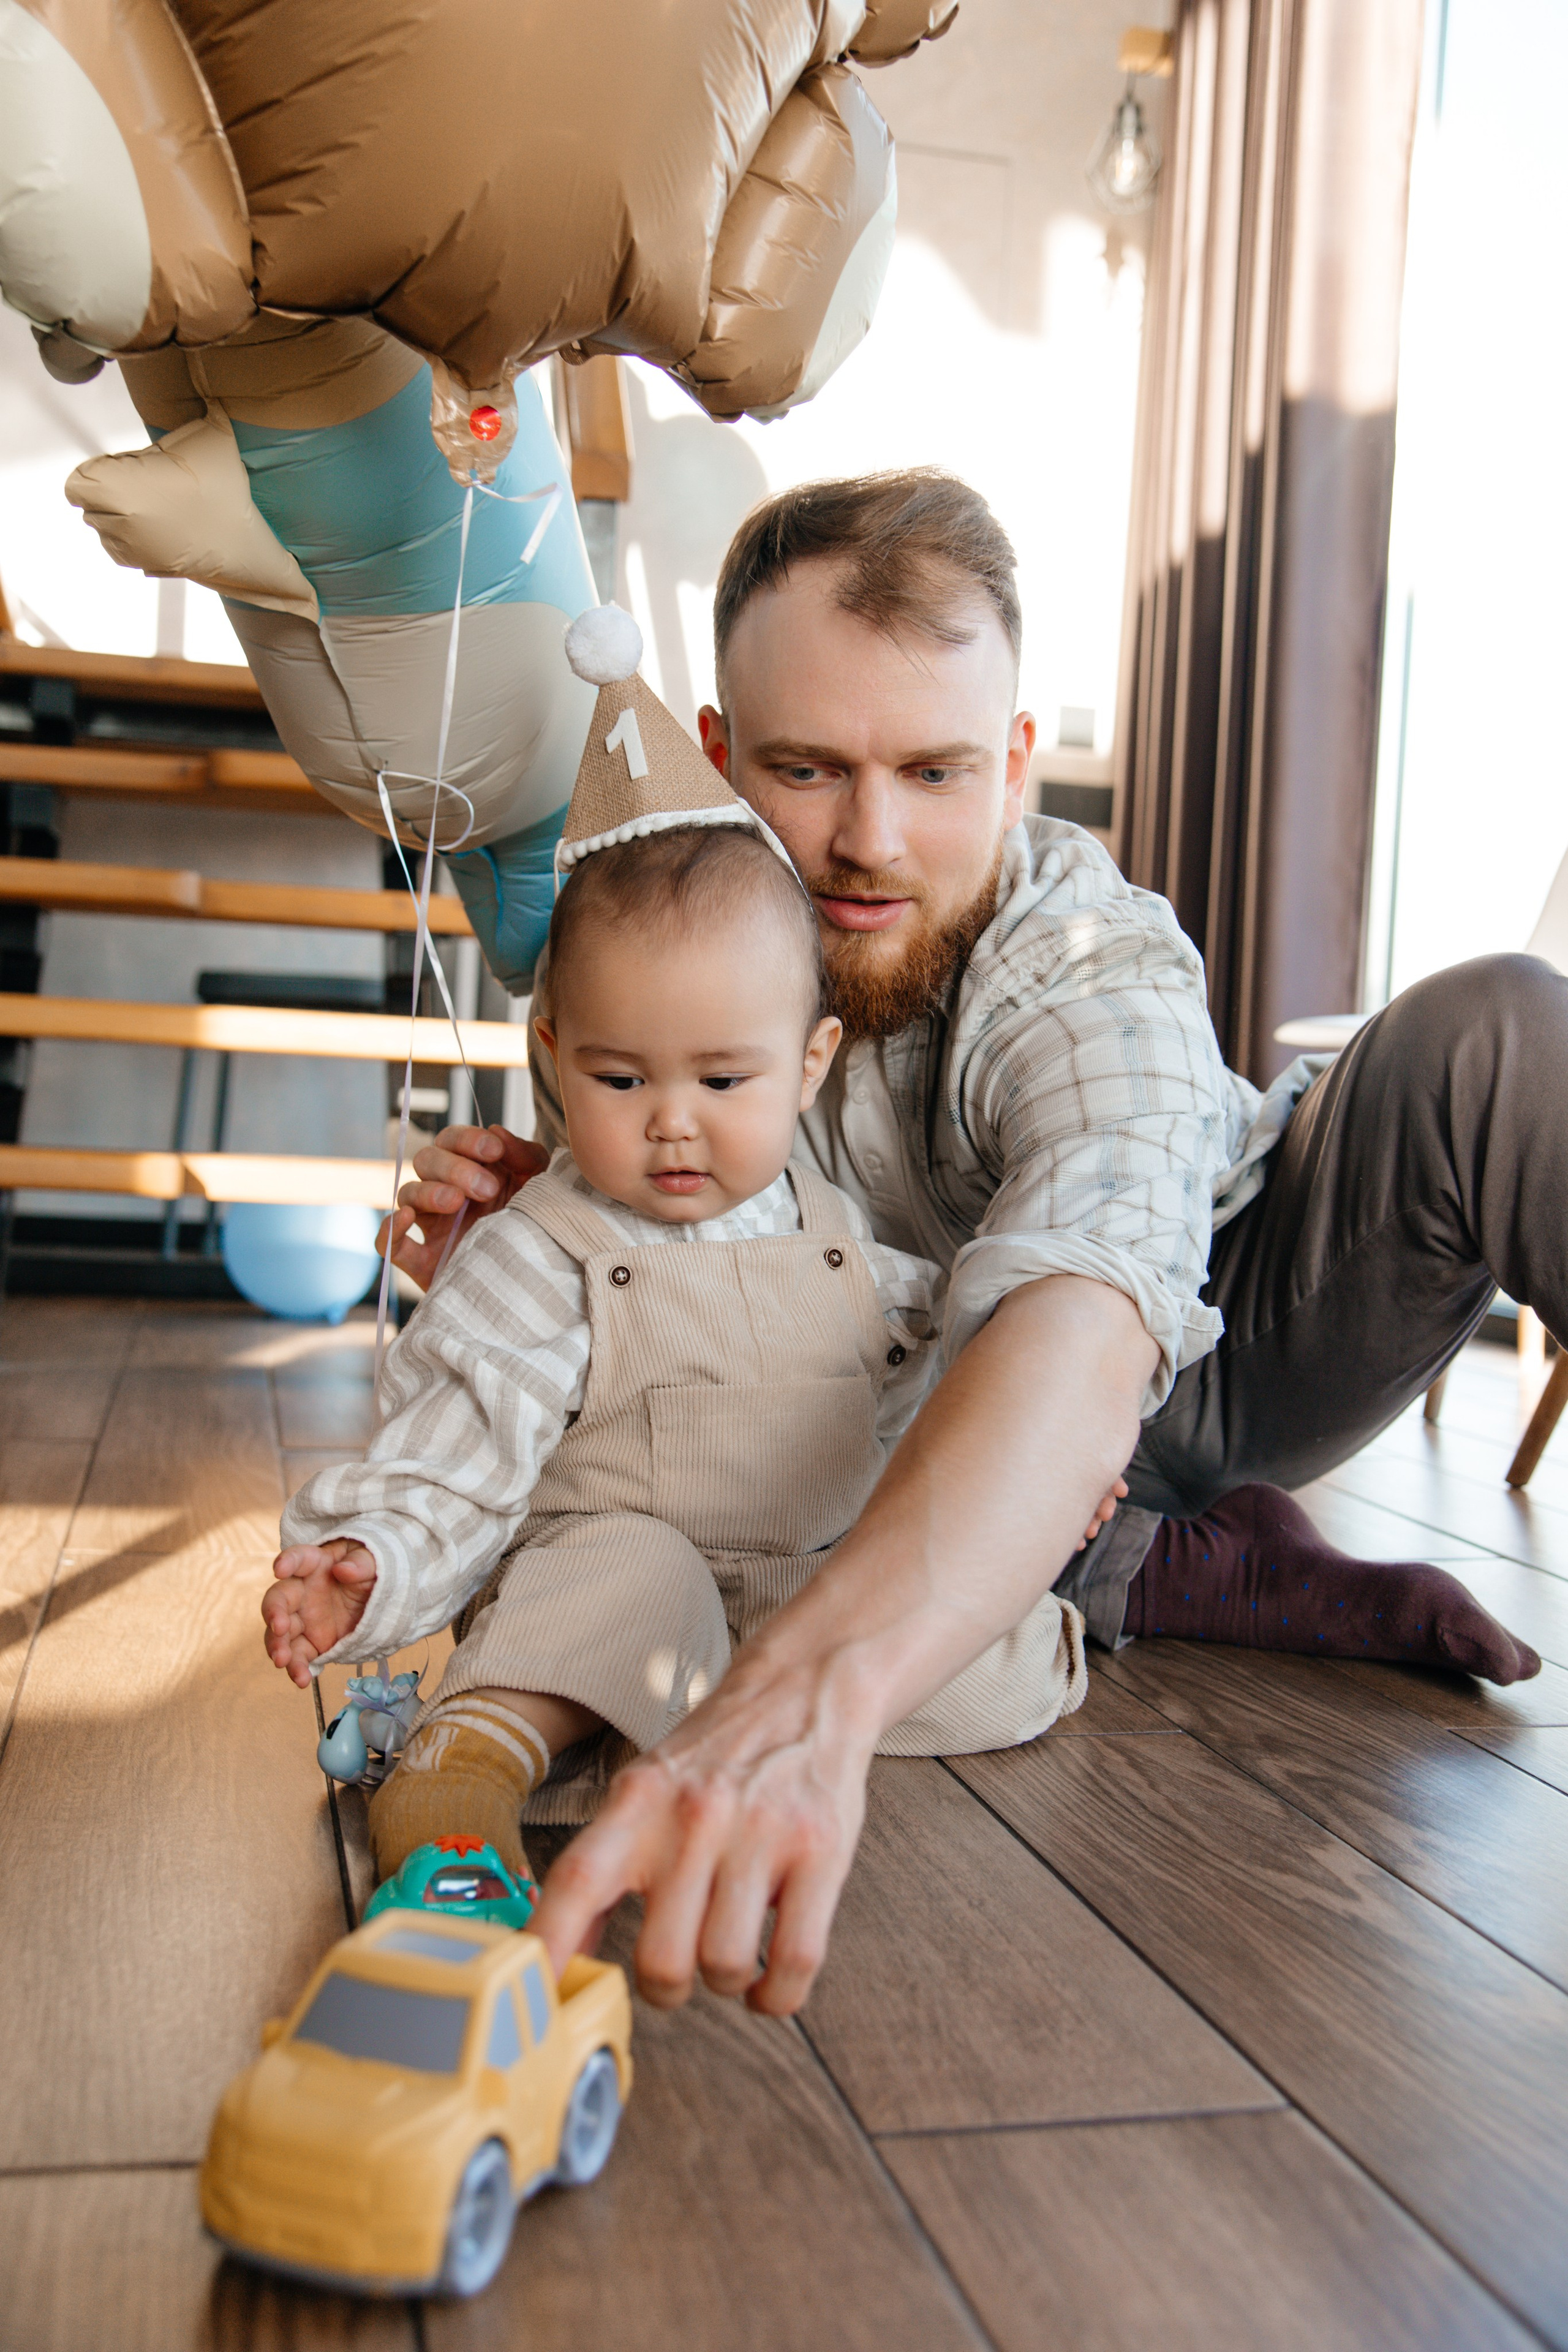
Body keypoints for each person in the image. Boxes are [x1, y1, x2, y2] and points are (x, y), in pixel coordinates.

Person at [380, 470, 1552, 2019]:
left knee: (1507, 1028)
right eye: (805, 771)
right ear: (722, 759)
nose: (870, 842)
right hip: (895, 1412)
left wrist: (812, 1692)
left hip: (1235, 1325)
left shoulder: (1081, 951)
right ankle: (1182, 1569)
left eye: (932, 772)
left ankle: (1142, 1546)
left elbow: (1084, 1293)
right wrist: (562, 1227)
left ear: (1011, 764)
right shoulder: (692, 956)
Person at [262, 623, 1106, 1894]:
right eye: (617, 1076)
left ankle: (750, 1726)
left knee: (1000, 1655)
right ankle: (470, 1768)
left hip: (806, 1591)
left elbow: (940, 1355)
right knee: (608, 1589)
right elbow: (456, 1440)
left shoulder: (830, 1230)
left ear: (807, 1064)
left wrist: (1049, 1464)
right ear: (552, 1056)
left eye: (722, 1079)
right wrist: (371, 1557)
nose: (670, 1119)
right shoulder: (539, 1249)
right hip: (632, 1580)